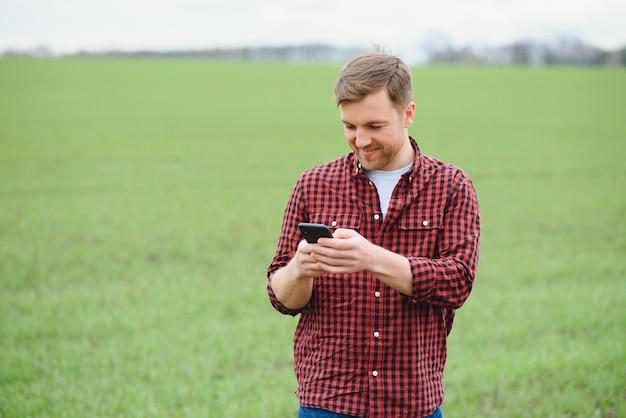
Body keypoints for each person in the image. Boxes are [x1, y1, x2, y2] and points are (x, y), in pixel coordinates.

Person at [267, 51, 480, 418]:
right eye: (350, 126)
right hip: (327, 401)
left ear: (408, 114)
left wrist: (372, 258)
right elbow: (282, 298)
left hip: (412, 401)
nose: (360, 139)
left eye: (374, 126)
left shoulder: (451, 186)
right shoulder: (313, 185)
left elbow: (457, 282)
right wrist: (299, 270)